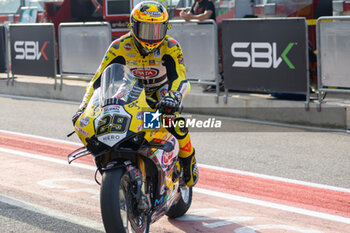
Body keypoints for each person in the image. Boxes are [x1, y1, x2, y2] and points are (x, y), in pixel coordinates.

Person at [72, 1, 198, 188]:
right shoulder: (119, 46)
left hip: (161, 92)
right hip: (131, 89)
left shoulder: (171, 46)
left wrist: (173, 97)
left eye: (157, 30)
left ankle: (189, 162)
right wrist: (84, 107)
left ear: (165, 28)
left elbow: (179, 77)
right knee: (107, 119)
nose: (152, 36)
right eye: (146, 30)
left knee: (176, 123)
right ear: (133, 26)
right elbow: (97, 80)